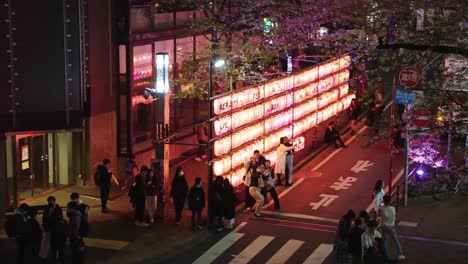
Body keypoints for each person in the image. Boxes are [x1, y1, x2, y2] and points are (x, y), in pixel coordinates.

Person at [380, 195, 406, 261]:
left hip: (384, 227)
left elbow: (382, 218)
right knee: (396, 240)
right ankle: (400, 254)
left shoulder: (383, 210)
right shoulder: (393, 208)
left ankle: (386, 256)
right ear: (389, 200)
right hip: (391, 227)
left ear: (384, 201)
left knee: (384, 242)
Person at [43, 196, 66, 263]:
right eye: (49, 201)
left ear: (54, 201)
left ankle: (59, 258)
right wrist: (45, 227)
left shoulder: (58, 209)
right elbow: (44, 219)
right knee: (51, 244)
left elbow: (60, 218)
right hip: (49, 228)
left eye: (51, 201)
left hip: (57, 229)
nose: (49, 203)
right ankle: (52, 257)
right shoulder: (47, 208)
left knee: (57, 244)